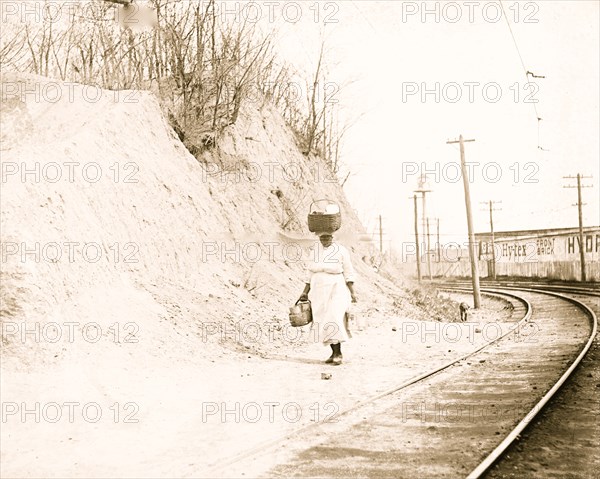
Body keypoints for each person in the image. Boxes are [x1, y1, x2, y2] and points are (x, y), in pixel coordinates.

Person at [299, 233, 357, 365]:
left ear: (332, 237)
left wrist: (353, 292)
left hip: (336, 287)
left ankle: (338, 353)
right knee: (323, 320)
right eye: (322, 238)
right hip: (318, 289)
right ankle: (333, 352)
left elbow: (348, 271)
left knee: (334, 317)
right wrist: (305, 292)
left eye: (327, 238)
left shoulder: (341, 250)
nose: (324, 240)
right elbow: (309, 273)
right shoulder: (315, 251)